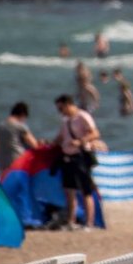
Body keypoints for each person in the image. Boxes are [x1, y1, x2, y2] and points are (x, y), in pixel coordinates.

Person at [53, 93, 102, 229]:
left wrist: (80, 141)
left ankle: (89, 223)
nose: (60, 112)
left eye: (61, 108)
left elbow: (95, 133)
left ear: (69, 105)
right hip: (67, 158)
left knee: (86, 190)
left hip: (80, 156)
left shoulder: (82, 116)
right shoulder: (66, 120)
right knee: (69, 190)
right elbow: (60, 137)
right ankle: (71, 221)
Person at [0, 102, 40, 177]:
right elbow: (34, 144)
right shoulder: (20, 126)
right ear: (22, 115)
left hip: (2, 165)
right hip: (17, 164)